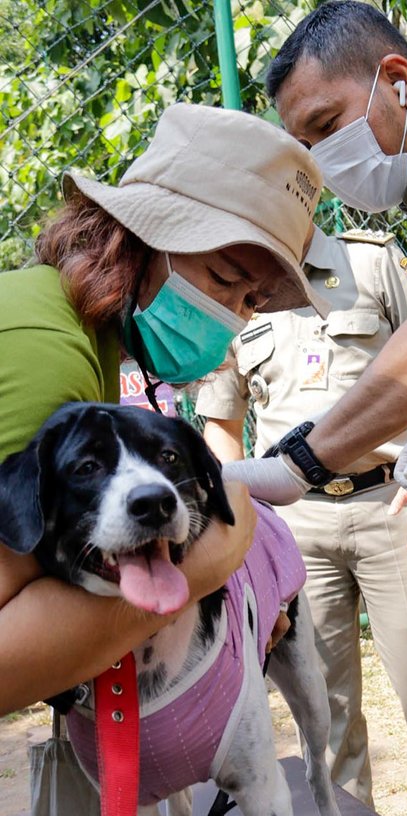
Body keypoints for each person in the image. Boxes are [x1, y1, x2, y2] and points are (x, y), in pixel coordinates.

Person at [215, 4, 407, 816]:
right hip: (308, 531)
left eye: (328, 126)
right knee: (328, 708)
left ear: (397, 82)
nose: (325, 163)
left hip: (376, 507)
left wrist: (296, 460)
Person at [0, 101, 327, 717]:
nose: (233, 315)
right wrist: (225, 551)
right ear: (140, 237)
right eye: (224, 277)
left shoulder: (74, 333)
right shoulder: (47, 352)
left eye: (252, 299)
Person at [196, 222, 407, 816]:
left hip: (390, 501)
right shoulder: (230, 282)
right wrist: (244, 527)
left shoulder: (370, 264)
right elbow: (221, 420)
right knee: (323, 704)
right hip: (291, 525)